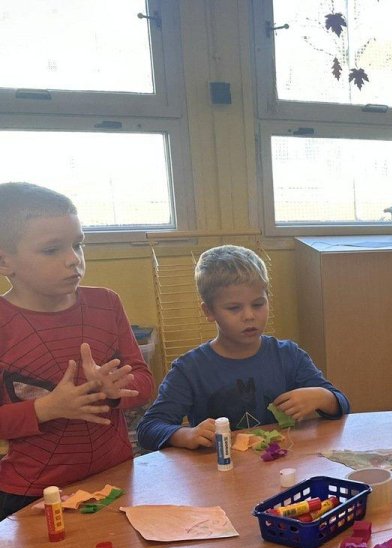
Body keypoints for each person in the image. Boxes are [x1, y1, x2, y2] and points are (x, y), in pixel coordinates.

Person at [0, 183, 153, 520]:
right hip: (33, 492)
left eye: (78, 244)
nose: (73, 259)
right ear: (4, 261)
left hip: (115, 477)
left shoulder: (107, 303)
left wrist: (115, 390)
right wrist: (46, 408)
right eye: (52, 250)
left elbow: (144, 380)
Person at [137, 245, 348, 451]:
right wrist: (186, 435)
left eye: (258, 304)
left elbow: (342, 404)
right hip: (221, 468)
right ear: (209, 311)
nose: (249, 316)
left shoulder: (288, 356)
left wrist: (322, 397)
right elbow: (148, 429)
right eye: (234, 308)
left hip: (281, 463)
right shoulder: (190, 369)